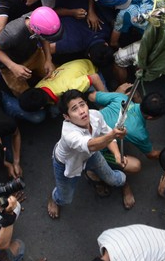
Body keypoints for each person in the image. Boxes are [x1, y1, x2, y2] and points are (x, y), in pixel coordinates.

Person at [47, 90, 132, 219]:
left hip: (91, 155)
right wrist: (112, 135)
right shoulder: (68, 133)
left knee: (113, 179)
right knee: (65, 198)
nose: (82, 111)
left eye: (82, 104)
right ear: (67, 117)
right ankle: (55, 198)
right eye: (74, 109)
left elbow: (105, 133)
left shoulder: (95, 115)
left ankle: (124, 183)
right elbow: (90, 145)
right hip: (67, 164)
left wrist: (117, 154)